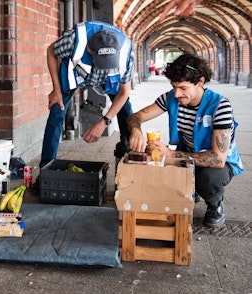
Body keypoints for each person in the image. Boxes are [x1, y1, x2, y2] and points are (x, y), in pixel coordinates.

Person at [127, 53, 243, 228]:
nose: (177, 93)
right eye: (174, 87)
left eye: (183, 88)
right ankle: (191, 188)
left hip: (220, 164)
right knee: (131, 152)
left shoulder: (220, 106)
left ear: (200, 82)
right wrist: (136, 131)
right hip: (186, 155)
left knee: (207, 178)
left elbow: (217, 159)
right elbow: (135, 117)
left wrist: (171, 154)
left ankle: (215, 204)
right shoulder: (170, 98)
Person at [41, 20, 135, 168]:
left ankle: (129, 157)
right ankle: (46, 167)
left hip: (108, 80)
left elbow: (123, 93)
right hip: (77, 73)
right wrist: (56, 90)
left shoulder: (126, 54)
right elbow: (51, 52)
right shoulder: (72, 41)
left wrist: (104, 121)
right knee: (56, 111)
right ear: (89, 49)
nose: (103, 68)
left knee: (126, 111)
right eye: (101, 63)